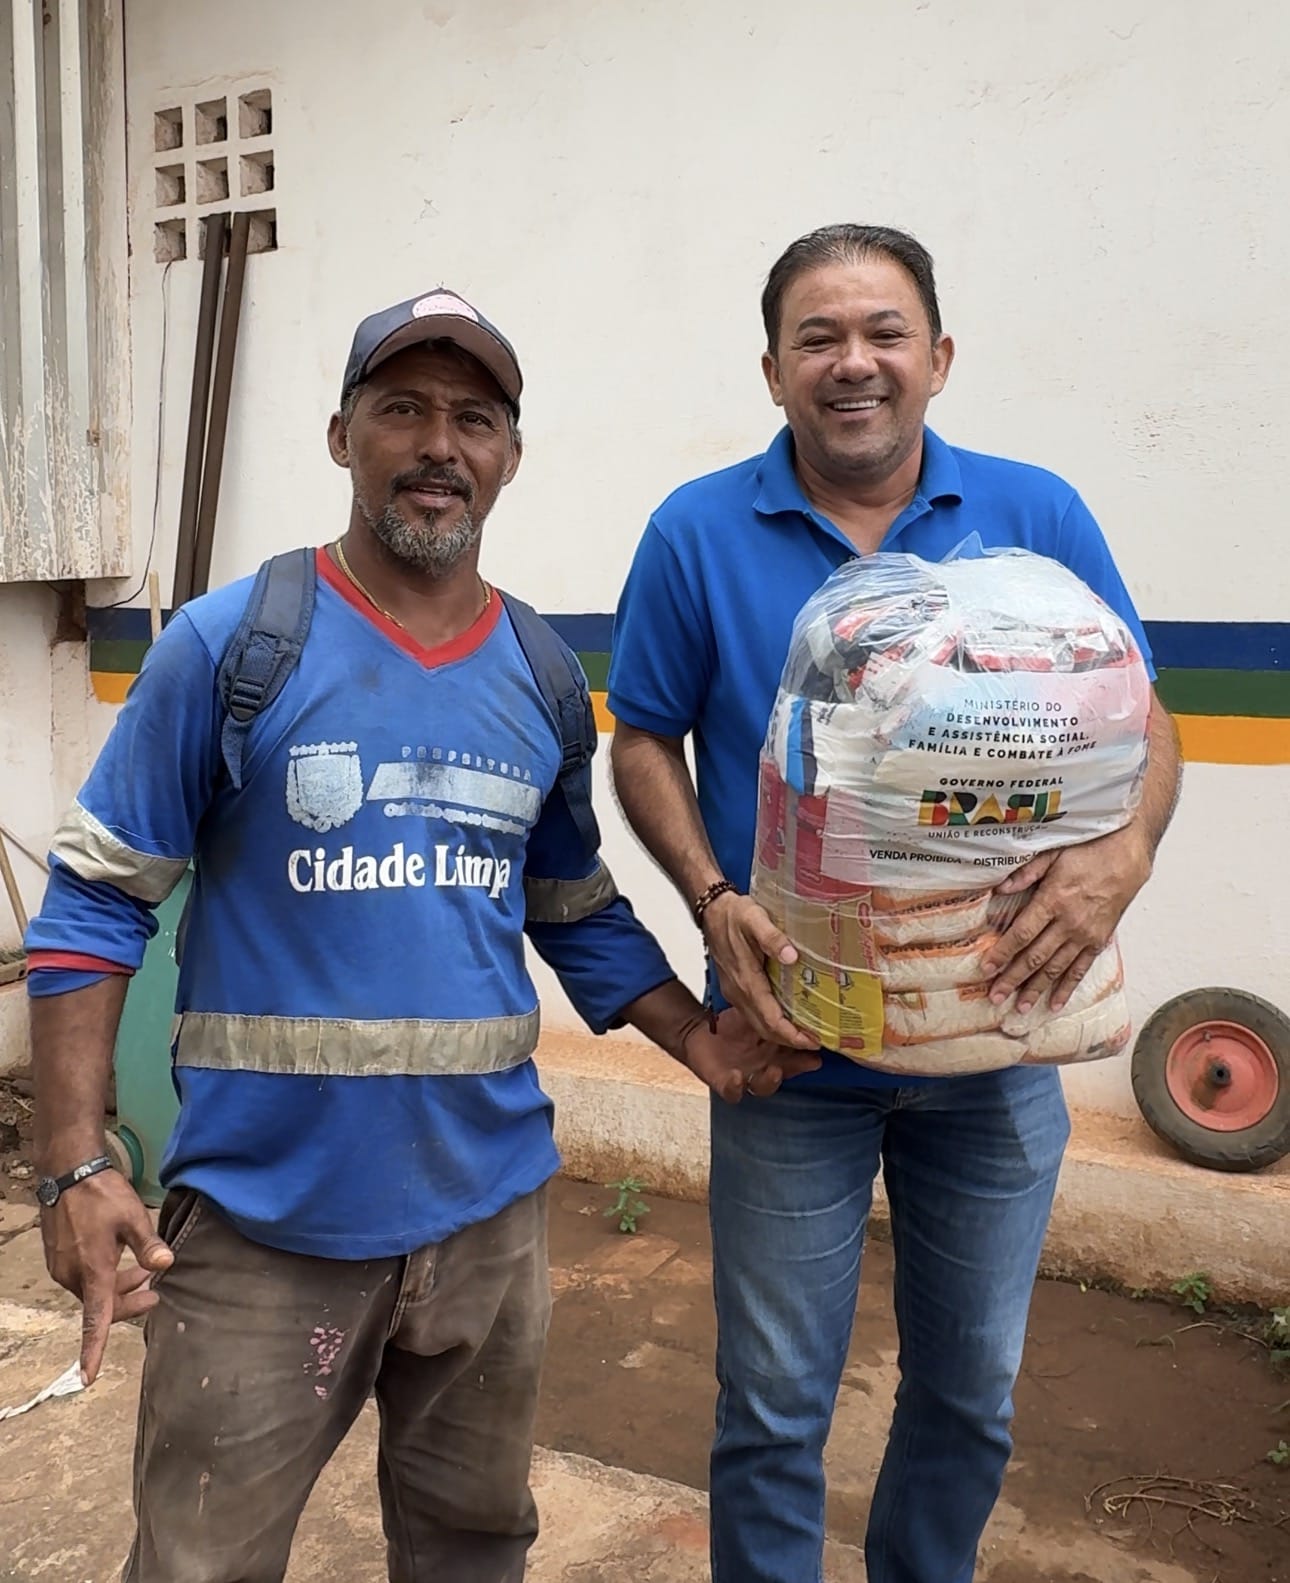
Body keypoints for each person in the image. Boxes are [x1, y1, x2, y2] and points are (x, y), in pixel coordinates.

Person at [25, 288, 791, 1583]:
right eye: (403, 410)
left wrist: (696, 1040)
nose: (439, 443)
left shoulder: (544, 678)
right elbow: (95, 899)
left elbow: (569, 903)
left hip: (487, 1222)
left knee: (474, 1547)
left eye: (473, 418)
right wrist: (72, 1161)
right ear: (341, 436)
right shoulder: (232, 647)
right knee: (200, 1562)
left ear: (508, 455)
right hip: (267, 1229)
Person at [607, 224, 1181, 1583]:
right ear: (771, 370)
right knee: (770, 1407)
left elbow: (1141, 722)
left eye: (880, 333)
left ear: (937, 356)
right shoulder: (696, 529)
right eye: (817, 338)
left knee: (968, 1395)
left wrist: (1126, 855)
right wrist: (708, 896)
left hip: (998, 1042)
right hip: (792, 1051)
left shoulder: (1033, 512)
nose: (850, 363)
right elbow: (641, 737)